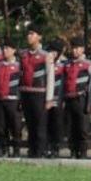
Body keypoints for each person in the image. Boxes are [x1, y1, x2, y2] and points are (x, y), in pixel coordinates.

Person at [19, 25, 55, 157]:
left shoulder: (46, 55)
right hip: (25, 93)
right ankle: (32, 150)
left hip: (40, 93)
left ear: (39, 37)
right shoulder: (23, 55)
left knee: (40, 124)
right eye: (28, 34)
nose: (29, 36)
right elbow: (20, 75)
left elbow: (50, 76)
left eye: (32, 34)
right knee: (30, 124)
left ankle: (40, 150)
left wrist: (49, 98)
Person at [61, 37, 91, 158]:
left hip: (82, 99)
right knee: (70, 127)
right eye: (73, 48)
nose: (75, 51)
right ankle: (73, 150)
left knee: (82, 127)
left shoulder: (89, 64)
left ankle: (83, 151)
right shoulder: (67, 64)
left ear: (82, 49)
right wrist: (61, 100)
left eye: (77, 48)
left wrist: (90, 102)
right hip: (69, 99)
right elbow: (63, 84)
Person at [0, 43, 22, 157]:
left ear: (14, 50)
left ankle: (16, 149)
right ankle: (2, 148)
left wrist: (20, 100)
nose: (5, 50)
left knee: (15, 126)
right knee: (0, 126)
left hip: (13, 100)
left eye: (8, 48)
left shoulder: (19, 65)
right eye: (4, 48)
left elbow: (22, 83)